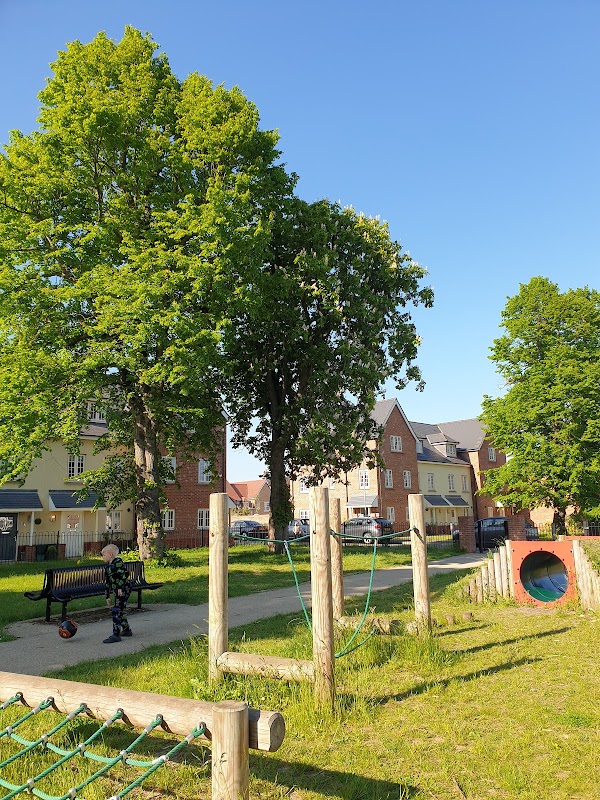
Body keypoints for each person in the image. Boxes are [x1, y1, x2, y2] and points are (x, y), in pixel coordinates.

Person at [101, 543, 132, 643]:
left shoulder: (118, 562)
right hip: (118, 590)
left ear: (110, 555)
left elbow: (123, 575)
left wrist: (120, 588)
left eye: (103, 554)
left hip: (124, 589)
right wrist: (107, 595)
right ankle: (126, 630)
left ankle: (116, 634)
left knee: (116, 610)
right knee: (120, 609)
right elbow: (107, 582)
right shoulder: (108, 567)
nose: (102, 557)